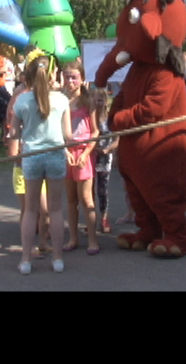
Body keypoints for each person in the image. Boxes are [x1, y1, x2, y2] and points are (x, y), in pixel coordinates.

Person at [7, 49, 72, 274]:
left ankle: (26, 260)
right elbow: (68, 134)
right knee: (55, 209)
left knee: (30, 210)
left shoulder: (22, 100)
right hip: (55, 156)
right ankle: (57, 259)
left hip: (32, 157)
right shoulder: (62, 100)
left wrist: (18, 134)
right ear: (52, 74)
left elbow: (14, 133)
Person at [5, 76, 50, 257]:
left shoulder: (39, 120)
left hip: (40, 167)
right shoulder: (16, 123)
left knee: (44, 210)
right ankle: (28, 246)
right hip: (22, 170)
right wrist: (22, 155)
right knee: (27, 209)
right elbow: (12, 153)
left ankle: (43, 242)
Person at [60, 59, 100, 254]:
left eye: (74, 77)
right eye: (67, 77)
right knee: (71, 198)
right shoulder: (60, 102)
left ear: (82, 78)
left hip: (84, 152)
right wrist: (65, 151)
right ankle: (73, 237)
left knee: (86, 198)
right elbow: (57, 131)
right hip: (67, 152)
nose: (70, 81)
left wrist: (86, 153)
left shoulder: (88, 100)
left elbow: (95, 131)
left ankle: (92, 239)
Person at [92, 87, 118, 234]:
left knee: (102, 189)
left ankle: (104, 218)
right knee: (89, 191)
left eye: (101, 100)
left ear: (106, 101)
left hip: (105, 157)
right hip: (91, 156)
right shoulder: (90, 117)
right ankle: (92, 219)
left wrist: (108, 150)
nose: (98, 103)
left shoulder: (110, 119)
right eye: (96, 100)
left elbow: (117, 139)